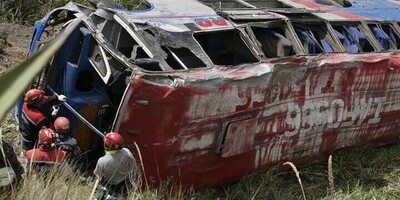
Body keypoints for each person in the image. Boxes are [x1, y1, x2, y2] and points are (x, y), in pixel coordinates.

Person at [94, 132, 137, 199]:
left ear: (106, 146)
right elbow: (133, 166)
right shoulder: (127, 152)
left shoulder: (102, 161)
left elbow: (97, 176)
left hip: (110, 184)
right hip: (124, 183)